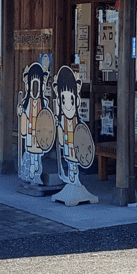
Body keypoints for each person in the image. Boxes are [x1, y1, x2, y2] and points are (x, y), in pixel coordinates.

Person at [51, 65, 97, 206]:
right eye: (63, 101)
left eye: (71, 100)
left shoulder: (78, 121)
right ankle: (72, 180)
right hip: (67, 143)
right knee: (70, 161)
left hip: (76, 144)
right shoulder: (63, 120)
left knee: (75, 161)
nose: (68, 105)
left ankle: (75, 180)